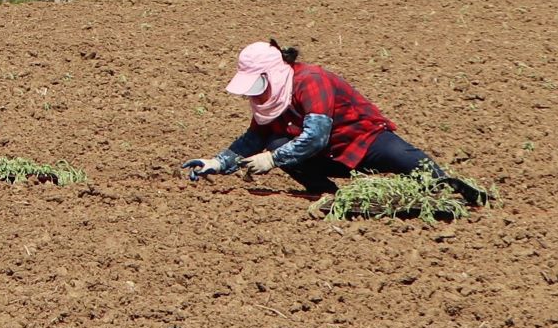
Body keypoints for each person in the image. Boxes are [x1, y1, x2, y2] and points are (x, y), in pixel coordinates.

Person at [184, 41, 486, 205]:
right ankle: (328, 196)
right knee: (275, 140)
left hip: (364, 142)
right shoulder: (270, 101)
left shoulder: (310, 80)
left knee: (412, 164)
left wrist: (272, 159)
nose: (255, 94)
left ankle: (451, 190)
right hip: (326, 156)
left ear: (272, 73)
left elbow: (316, 135)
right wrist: (217, 163)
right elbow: (255, 137)